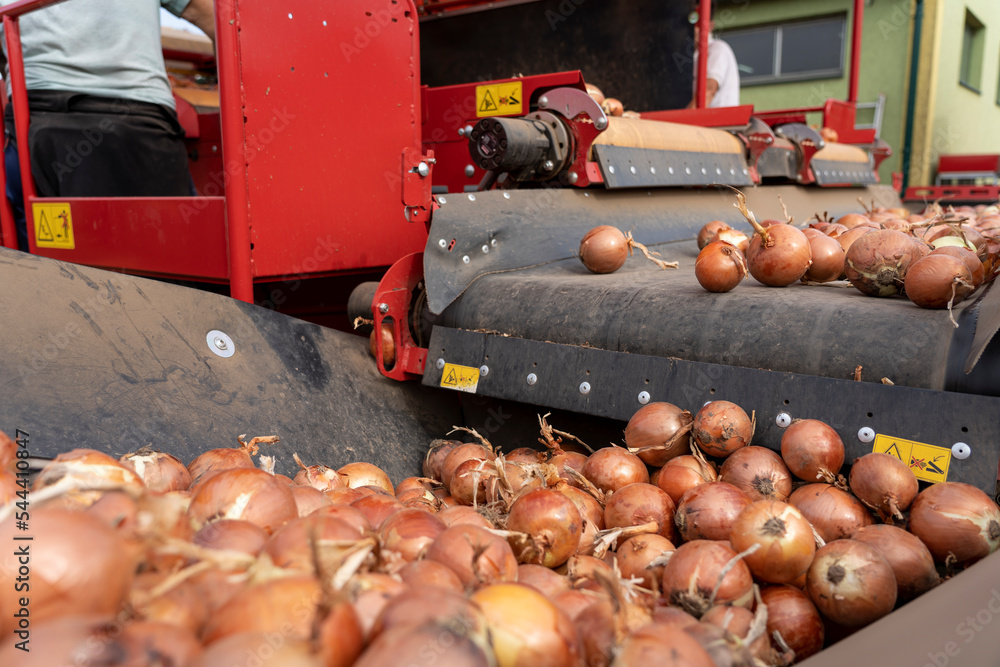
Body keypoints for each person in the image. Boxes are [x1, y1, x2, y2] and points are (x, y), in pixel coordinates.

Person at [1, 0, 215, 251]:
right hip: (135, 129)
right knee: (170, 255)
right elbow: (214, 19)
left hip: (31, 129)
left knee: (43, 262)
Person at [686, 8, 740, 109]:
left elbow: (708, 91)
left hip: (720, 118)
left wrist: (683, 118)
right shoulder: (692, 57)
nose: (692, 30)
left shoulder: (717, 48)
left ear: (710, 26)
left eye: (697, 24)